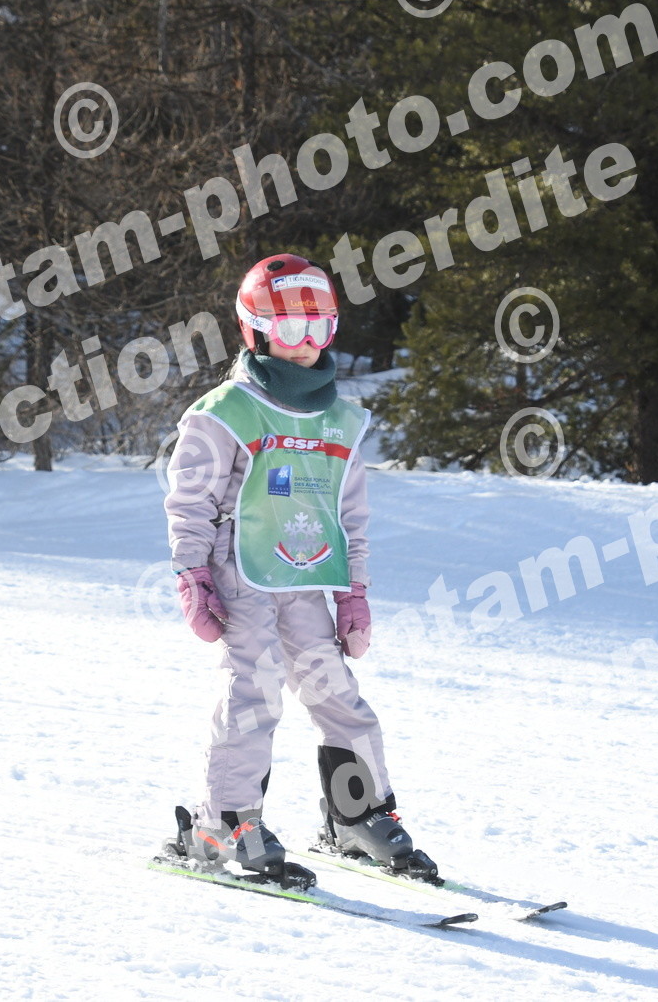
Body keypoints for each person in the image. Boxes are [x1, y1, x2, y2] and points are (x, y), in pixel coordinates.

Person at [161, 253, 436, 884]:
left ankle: (357, 815)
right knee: (253, 695)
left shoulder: (340, 419)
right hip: (241, 575)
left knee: (338, 695)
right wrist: (192, 574)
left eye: (320, 327)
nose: (306, 343)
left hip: (308, 578)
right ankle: (223, 825)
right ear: (255, 330)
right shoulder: (225, 410)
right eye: (289, 329)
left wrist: (354, 592)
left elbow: (349, 512)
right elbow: (190, 500)